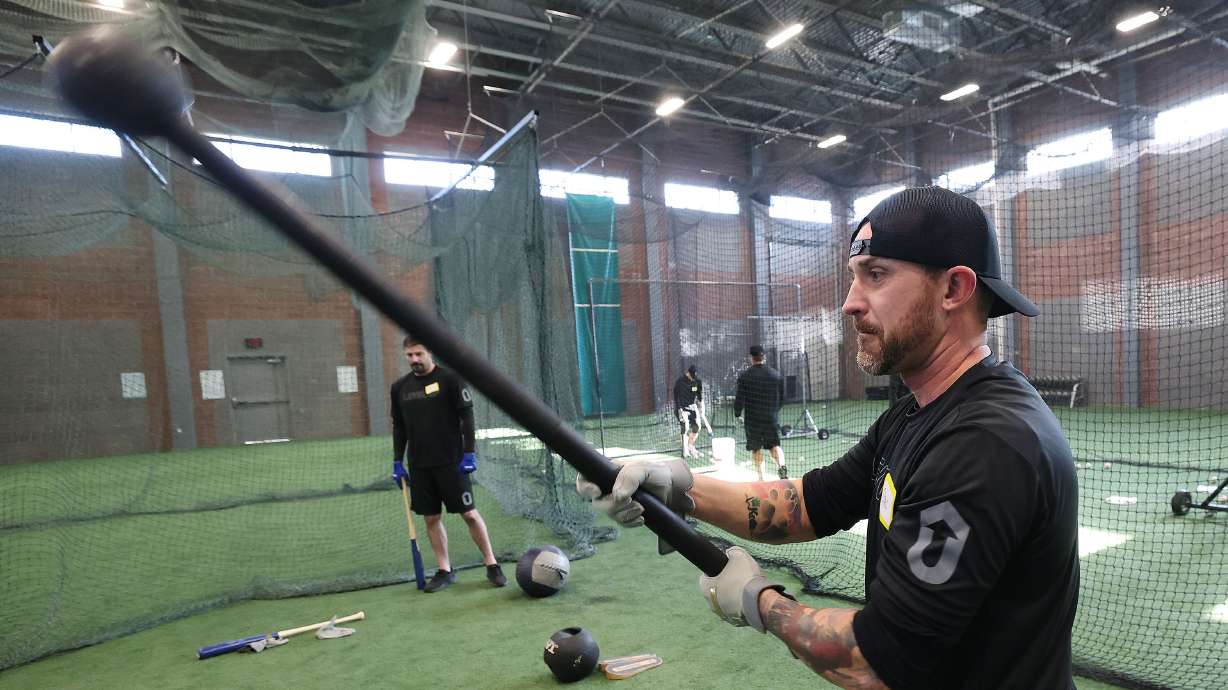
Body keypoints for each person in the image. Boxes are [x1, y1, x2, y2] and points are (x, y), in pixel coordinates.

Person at [578, 186, 1079, 690]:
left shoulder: (985, 443)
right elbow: (811, 502)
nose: (849, 303)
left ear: (953, 289)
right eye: (853, 278)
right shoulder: (915, 411)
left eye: (876, 275)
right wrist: (682, 488)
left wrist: (760, 600)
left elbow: (877, 659)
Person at [391, 336, 506, 592]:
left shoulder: (450, 380)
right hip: (420, 465)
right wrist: (398, 460)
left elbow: (467, 417)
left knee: (469, 513)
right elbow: (399, 427)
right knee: (431, 518)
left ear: (429, 352)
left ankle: (491, 564)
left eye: (418, 354)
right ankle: (445, 570)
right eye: (409, 355)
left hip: (451, 462)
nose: (414, 360)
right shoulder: (400, 388)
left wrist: (469, 453)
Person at [734, 345, 787, 480]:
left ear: (751, 358)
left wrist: (737, 412)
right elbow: (782, 398)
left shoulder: (745, 377)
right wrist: (774, 411)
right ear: (764, 356)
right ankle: (782, 468)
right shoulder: (775, 375)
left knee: (756, 448)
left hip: (753, 420)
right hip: (770, 418)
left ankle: (762, 478)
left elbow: (739, 399)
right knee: (774, 445)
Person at [673, 364, 704, 459]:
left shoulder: (697, 382)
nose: (692, 378)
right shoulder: (680, 382)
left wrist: (701, 407)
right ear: (688, 373)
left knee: (697, 427)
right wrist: (679, 409)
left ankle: (690, 446)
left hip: (692, 407)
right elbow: (675, 396)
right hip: (682, 408)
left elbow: (699, 396)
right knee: (685, 427)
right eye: (691, 376)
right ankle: (685, 451)